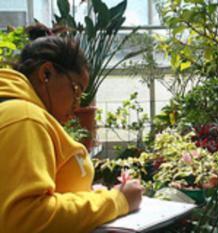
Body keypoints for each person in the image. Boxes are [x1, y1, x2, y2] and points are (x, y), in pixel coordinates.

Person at [0, 28, 143, 233]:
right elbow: (26, 217)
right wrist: (117, 201)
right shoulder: (24, 117)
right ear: (45, 73)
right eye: (76, 90)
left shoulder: (16, 112)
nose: (76, 106)